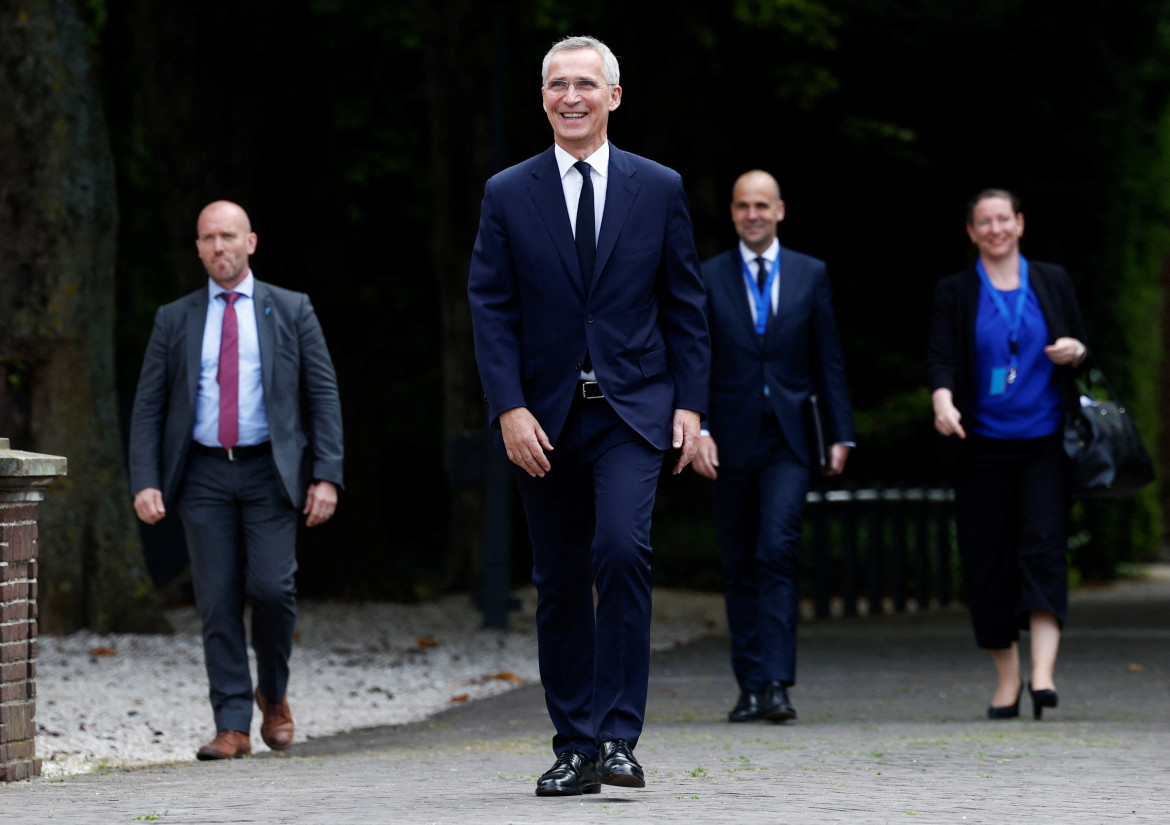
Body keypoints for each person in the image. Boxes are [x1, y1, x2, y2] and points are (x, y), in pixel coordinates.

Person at [467, 35, 709, 796]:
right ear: (543, 98)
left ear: (614, 96)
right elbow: (491, 306)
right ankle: (573, 743)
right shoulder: (508, 191)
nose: (571, 97)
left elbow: (686, 305)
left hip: (633, 411)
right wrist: (507, 406)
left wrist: (692, 407)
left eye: (585, 84)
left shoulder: (659, 186)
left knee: (620, 550)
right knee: (561, 578)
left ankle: (618, 737)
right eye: (557, 85)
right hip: (541, 415)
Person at [129, 200, 344, 759]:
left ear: (251, 242)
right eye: (207, 238)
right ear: (198, 247)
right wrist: (145, 480)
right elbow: (149, 407)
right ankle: (232, 725)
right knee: (217, 599)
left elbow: (322, 395)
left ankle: (273, 693)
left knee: (274, 590)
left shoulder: (291, 309)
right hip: (201, 473)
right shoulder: (173, 319)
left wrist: (326, 475)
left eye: (228, 236)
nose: (218, 247)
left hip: (270, 472)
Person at [693, 170, 854, 724]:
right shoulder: (709, 275)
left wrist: (841, 432)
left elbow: (827, 357)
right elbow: (697, 357)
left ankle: (779, 684)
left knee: (778, 551)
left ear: (781, 210)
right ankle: (750, 685)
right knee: (738, 564)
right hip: (728, 437)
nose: (753, 214)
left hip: (789, 438)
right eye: (743, 206)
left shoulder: (812, 273)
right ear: (733, 212)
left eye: (763, 205)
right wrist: (700, 427)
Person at [928, 188, 1087, 721]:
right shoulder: (955, 291)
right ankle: (1006, 680)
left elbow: (1083, 346)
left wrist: (1074, 350)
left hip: (1044, 441)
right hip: (981, 446)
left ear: (1020, 224)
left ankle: (1042, 675)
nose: (995, 229)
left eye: (1004, 219)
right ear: (972, 232)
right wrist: (942, 399)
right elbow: (942, 358)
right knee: (986, 559)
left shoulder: (1052, 280)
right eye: (984, 221)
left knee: (1044, 547)